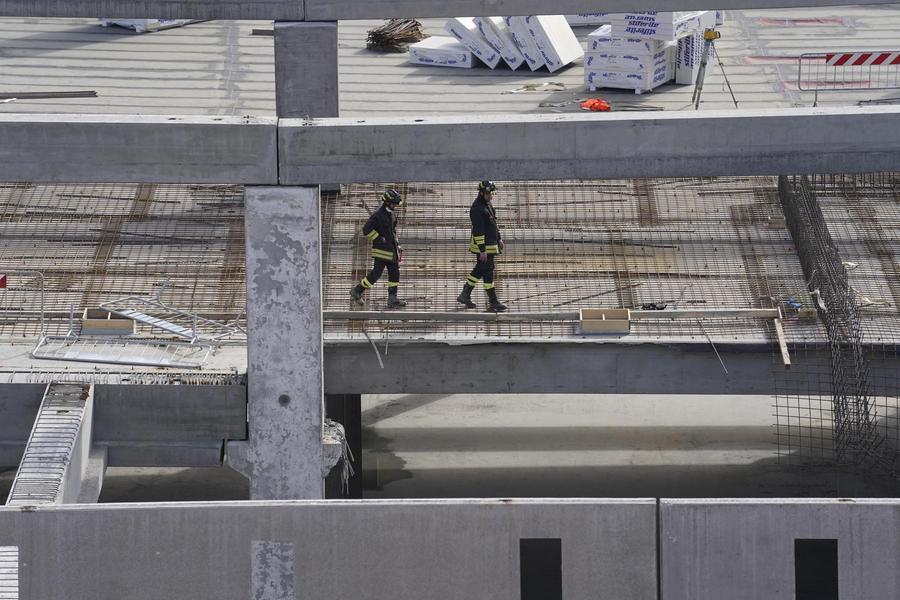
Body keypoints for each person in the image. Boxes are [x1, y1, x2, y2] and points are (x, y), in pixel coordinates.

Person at [350, 189, 407, 308]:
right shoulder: (377, 215)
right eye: (394, 204)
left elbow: (392, 231)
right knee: (376, 274)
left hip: (392, 250)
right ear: (387, 203)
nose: (395, 206)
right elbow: (366, 230)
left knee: (395, 273)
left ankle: (392, 298)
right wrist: (379, 239)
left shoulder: (391, 213)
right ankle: (357, 291)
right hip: (381, 251)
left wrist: (397, 244)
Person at [457, 180, 508, 312]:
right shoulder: (477, 209)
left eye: (491, 193)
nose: (491, 196)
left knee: (481, 270)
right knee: (487, 272)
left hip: (491, 244)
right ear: (481, 193)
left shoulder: (487, 204)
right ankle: (493, 301)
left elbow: (493, 224)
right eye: (488, 193)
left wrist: (499, 238)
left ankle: (465, 294)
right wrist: (482, 250)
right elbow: (478, 231)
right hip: (484, 247)